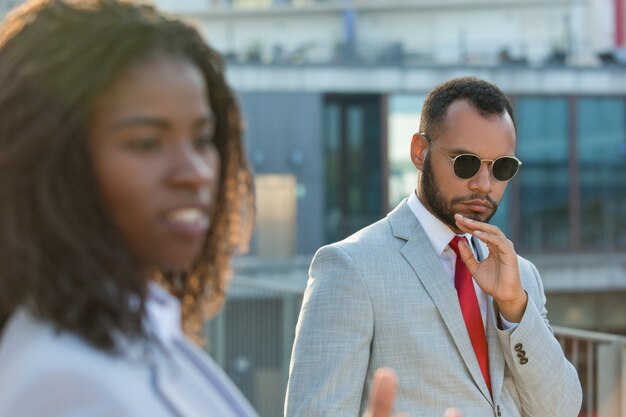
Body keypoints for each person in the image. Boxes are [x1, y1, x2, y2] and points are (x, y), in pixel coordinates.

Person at [0, 1, 453, 416]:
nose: (194, 171)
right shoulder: (62, 380)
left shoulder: (138, 332)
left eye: (203, 140)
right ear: (48, 160)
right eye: (145, 142)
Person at [285, 77, 583, 417]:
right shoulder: (350, 268)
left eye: (501, 167)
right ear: (419, 152)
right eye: (466, 162)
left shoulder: (520, 277)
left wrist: (514, 307)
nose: (484, 184)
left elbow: (562, 409)